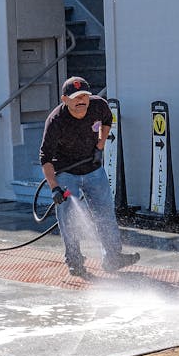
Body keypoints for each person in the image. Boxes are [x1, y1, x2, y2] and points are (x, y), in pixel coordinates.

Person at [39, 76, 140, 279]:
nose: (81, 101)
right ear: (64, 99)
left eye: (84, 95)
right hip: (66, 172)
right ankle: (75, 261)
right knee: (69, 218)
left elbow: (108, 121)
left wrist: (100, 147)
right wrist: (55, 188)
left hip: (93, 169)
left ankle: (113, 257)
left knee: (105, 212)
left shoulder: (98, 106)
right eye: (75, 97)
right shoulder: (56, 121)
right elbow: (45, 158)